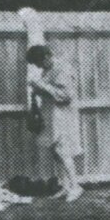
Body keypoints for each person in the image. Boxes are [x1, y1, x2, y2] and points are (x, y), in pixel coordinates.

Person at [24, 43, 83, 201]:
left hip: (63, 115)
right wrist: (37, 90)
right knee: (56, 151)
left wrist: (41, 85)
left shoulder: (63, 69)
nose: (38, 67)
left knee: (63, 150)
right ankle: (66, 186)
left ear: (47, 57)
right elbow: (50, 92)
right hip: (51, 115)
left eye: (39, 63)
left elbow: (66, 95)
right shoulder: (48, 69)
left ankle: (75, 186)